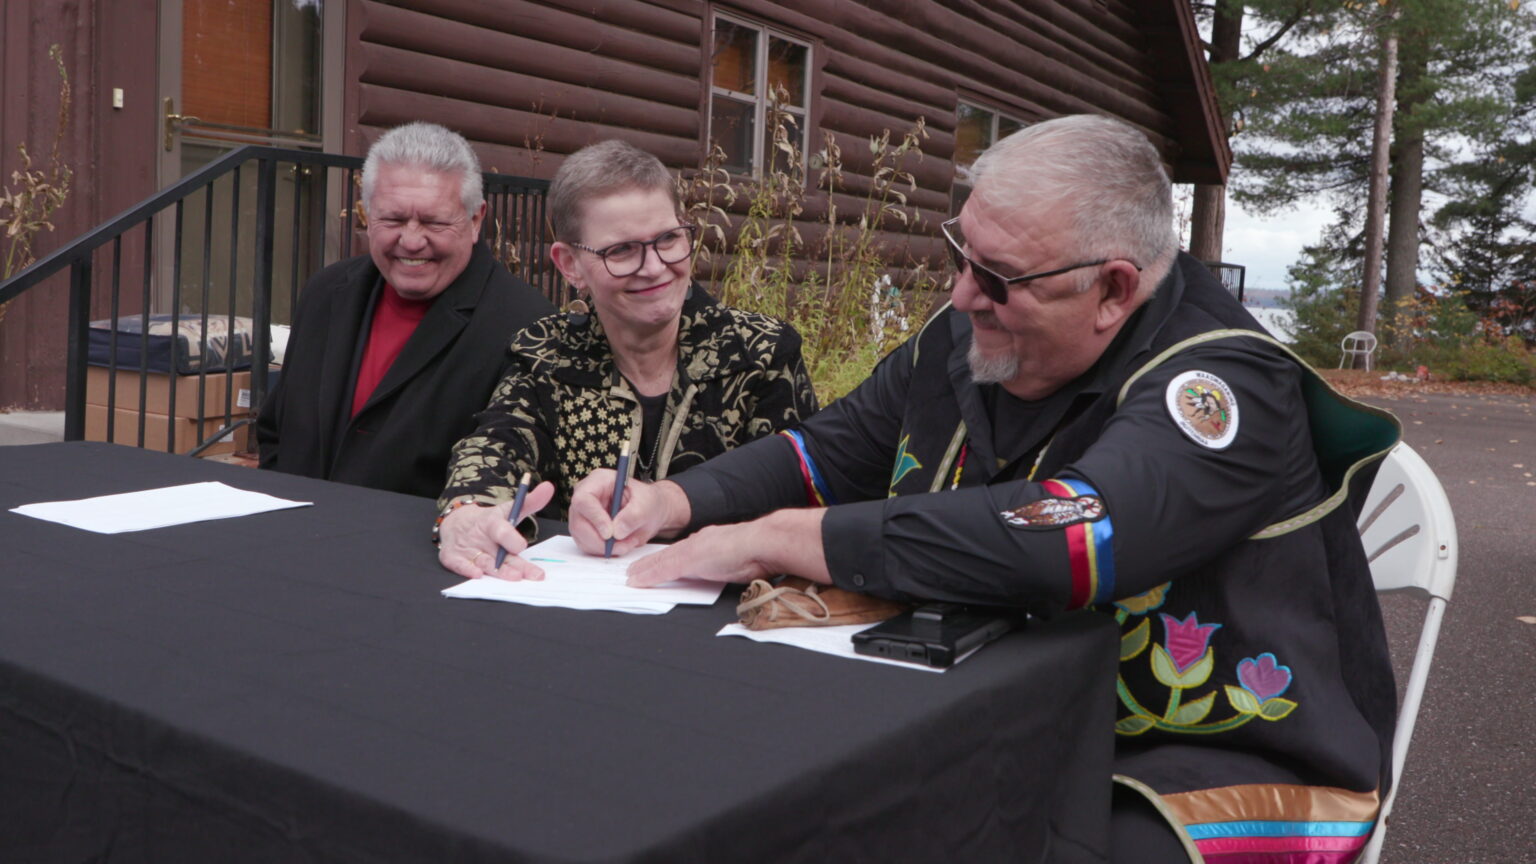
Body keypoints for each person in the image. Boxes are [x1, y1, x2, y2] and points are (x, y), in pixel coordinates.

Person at [567, 116, 1402, 863]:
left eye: (997, 277)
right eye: (959, 253)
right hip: (1001, 712)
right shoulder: (968, 331)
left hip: (1208, 760)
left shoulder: (1223, 386)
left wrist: (780, 538)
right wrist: (670, 502)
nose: (963, 294)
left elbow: (1072, 539)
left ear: (1112, 289)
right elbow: (830, 449)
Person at [433, 139, 818, 580]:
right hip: (577, 611)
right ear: (569, 265)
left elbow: (803, 486)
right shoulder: (544, 354)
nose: (654, 267)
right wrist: (467, 513)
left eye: (669, 239)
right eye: (622, 251)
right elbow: (496, 447)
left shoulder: (759, 353)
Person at [256, 122, 553, 498]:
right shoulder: (326, 294)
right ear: (367, 214)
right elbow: (276, 432)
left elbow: (513, 481)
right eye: (393, 219)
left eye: (433, 221)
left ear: (476, 220)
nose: (411, 241)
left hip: (422, 552)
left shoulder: (526, 328)